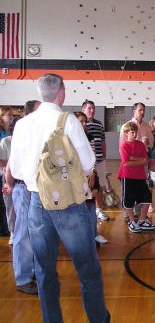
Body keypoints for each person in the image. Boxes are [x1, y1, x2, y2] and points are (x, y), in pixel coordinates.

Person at [9, 73, 110, 322]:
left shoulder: (23, 124)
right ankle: (98, 319)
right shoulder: (68, 121)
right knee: (87, 268)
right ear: (61, 92)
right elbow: (89, 162)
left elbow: (17, 169)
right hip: (68, 205)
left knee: (44, 270)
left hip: (36, 202)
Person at [3, 102, 39, 295]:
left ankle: (32, 271)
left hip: (35, 189)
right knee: (23, 235)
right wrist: (10, 184)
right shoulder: (22, 133)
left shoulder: (36, 134)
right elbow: (11, 164)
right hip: (23, 188)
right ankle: (23, 278)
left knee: (35, 234)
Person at [74, 111, 108, 244]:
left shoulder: (89, 136)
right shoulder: (69, 139)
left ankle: (94, 233)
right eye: (81, 121)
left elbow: (92, 156)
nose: (84, 124)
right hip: (76, 178)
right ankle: (79, 236)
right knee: (78, 208)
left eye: (85, 121)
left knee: (91, 205)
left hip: (90, 175)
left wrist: (93, 173)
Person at [118, 122, 155, 233]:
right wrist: (140, 160)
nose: (135, 134)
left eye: (136, 132)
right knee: (129, 200)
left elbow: (146, 160)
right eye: (132, 132)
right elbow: (125, 163)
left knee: (147, 197)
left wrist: (132, 158)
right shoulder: (124, 145)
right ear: (126, 133)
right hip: (127, 176)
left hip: (140, 176)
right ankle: (132, 221)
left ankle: (141, 221)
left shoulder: (140, 144)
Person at [119, 102, 153, 220]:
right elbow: (122, 146)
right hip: (128, 165)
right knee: (127, 190)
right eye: (140, 110)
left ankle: (138, 213)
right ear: (134, 111)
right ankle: (127, 214)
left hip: (141, 161)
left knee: (140, 187)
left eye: (143, 110)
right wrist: (132, 158)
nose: (142, 112)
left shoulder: (146, 127)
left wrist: (146, 143)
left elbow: (151, 143)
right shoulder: (126, 126)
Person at [82, 100, 110, 222]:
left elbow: (103, 142)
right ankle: (84, 210)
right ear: (83, 110)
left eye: (93, 108)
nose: (92, 110)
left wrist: (104, 156)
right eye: (89, 108)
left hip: (99, 161)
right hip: (85, 164)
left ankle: (99, 210)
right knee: (86, 186)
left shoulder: (99, 124)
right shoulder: (80, 125)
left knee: (100, 186)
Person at [0, 117, 20, 245]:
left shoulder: (26, 142)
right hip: (8, 177)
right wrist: (13, 165)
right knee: (10, 207)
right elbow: (1, 161)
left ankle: (22, 232)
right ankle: (13, 232)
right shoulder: (5, 141)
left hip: (22, 178)